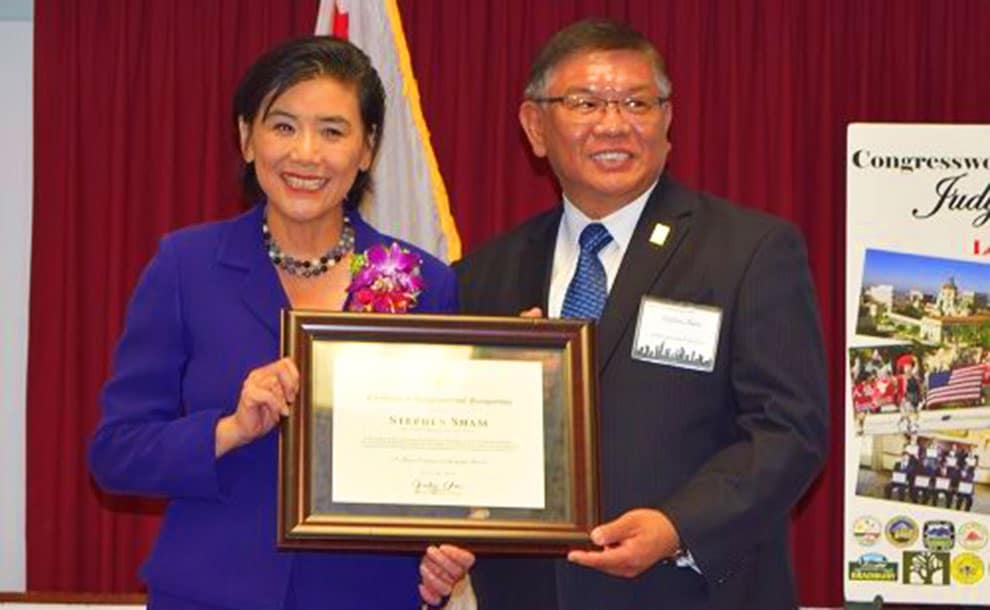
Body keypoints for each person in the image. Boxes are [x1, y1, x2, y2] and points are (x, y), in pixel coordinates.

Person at [419, 18, 828, 610]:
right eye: (585, 103)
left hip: (690, 591)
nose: (613, 124)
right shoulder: (484, 273)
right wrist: (442, 532)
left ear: (667, 120)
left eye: (637, 102)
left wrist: (676, 527)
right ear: (535, 126)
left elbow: (791, 430)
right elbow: (458, 442)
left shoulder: (750, 251)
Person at [89, 36, 456, 610]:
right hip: (211, 592)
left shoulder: (423, 280)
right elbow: (115, 452)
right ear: (246, 137)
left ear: (368, 149)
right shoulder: (185, 267)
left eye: (333, 131)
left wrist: (452, 544)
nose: (305, 153)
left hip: (369, 595)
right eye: (283, 126)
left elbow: (446, 458)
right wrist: (229, 429)